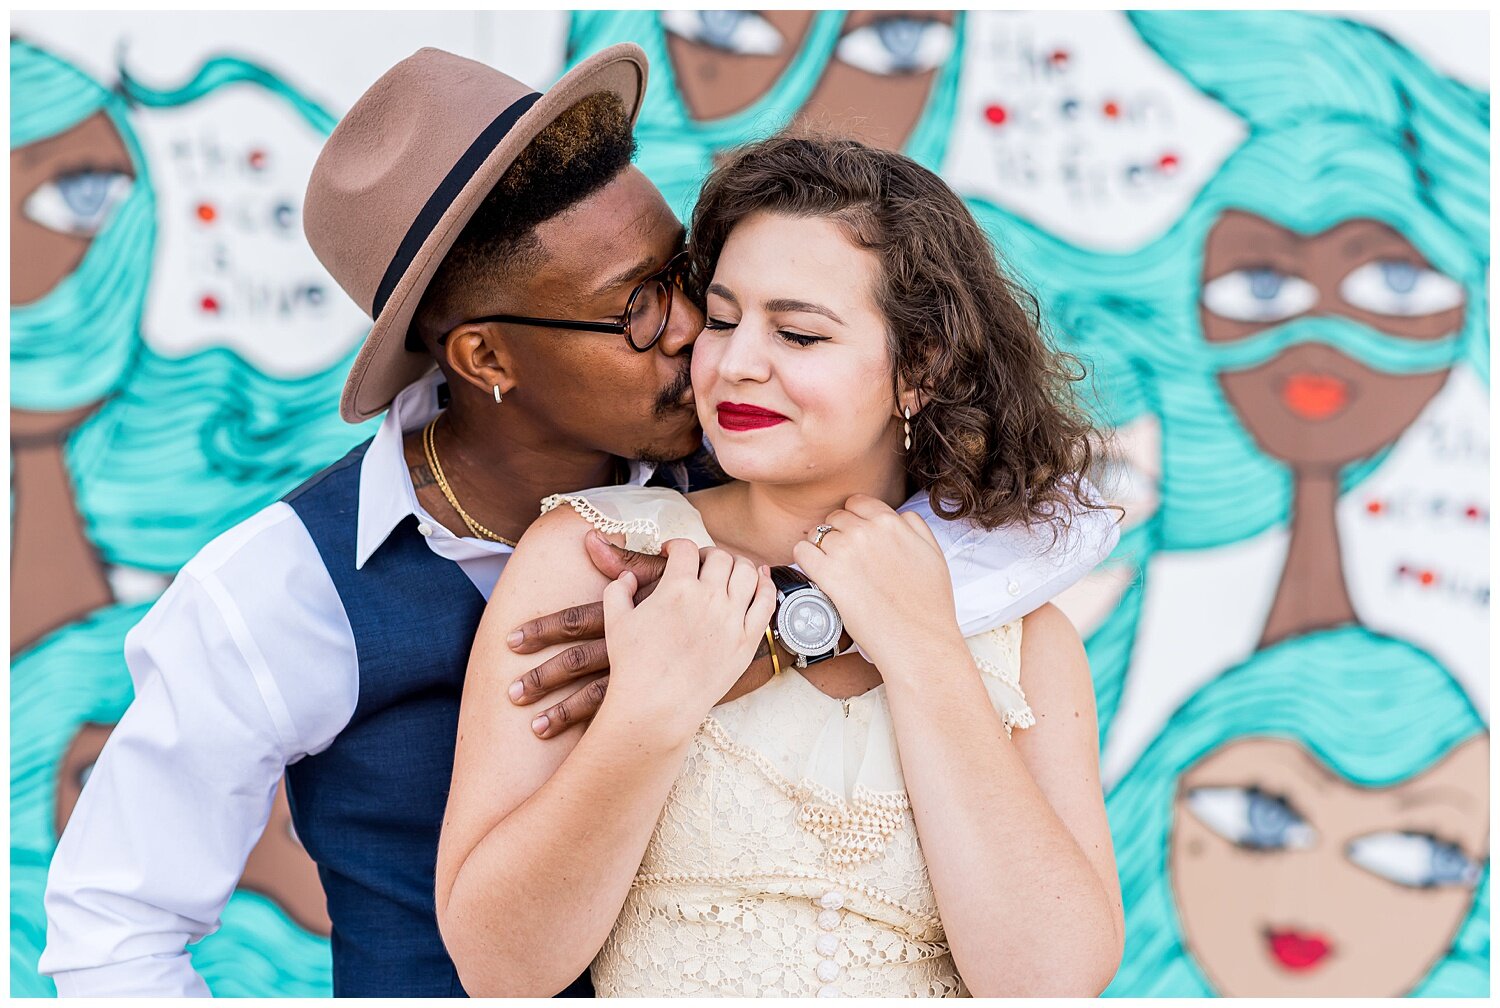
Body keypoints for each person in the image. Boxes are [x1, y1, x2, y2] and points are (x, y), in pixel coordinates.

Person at [40, 48, 1117, 997]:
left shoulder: (759, 458)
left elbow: (981, 546)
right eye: (640, 306)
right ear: (488, 359)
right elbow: (116, 932)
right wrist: (656, 702)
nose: (702, 335)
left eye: (686, 279)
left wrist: (848, 635)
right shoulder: (283, 590)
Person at [437, 135, 1126, 997]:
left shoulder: (1024, 628)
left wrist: (927, 653)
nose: (735, 364)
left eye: (799, 334)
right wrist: (649, 713)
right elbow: (499, 969)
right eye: (721, 319)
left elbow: (1054, 983)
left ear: (921, 369)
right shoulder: (597, 558)